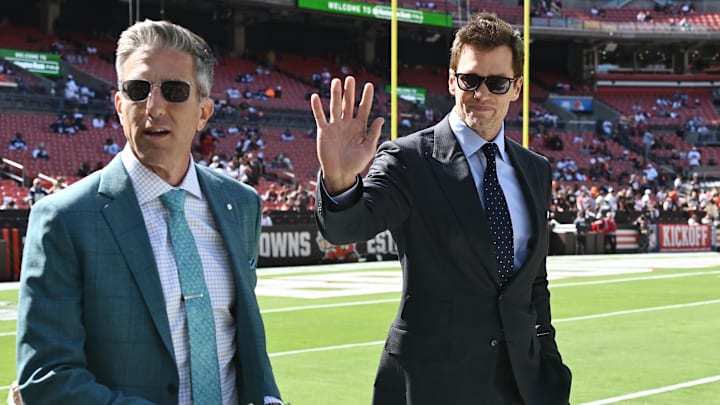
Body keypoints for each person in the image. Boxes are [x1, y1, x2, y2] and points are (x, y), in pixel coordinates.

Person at [16, 19, 282, 405]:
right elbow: (48, 379)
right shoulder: (64, 219)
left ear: (204, 111)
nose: (154, 107)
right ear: (120, 105)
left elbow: (244, 342)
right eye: (138, 90)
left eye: (174, 91)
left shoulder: (241, 204)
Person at [311, 12, 571, 405]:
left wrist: (549, 364)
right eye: (470, 80)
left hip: (523, 384)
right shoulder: (408, 158)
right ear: (452, 82)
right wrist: (339, 181)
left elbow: (534, 285)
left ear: (516, 89)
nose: (481, 93)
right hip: (433, 383)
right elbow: (347, 228)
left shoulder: (536, 169)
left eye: (497, 83)